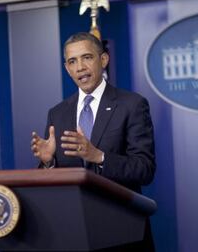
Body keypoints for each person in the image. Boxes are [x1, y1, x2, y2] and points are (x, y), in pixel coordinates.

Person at [31, 32, 156, 250]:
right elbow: (52, 184)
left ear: (103, 60)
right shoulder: (57, 114)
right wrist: (49, 162)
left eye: (86, 57)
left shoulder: (132, 105)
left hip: (123, 232)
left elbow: (144, 169)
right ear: (67, 68)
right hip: (74, 235)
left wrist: (98, 156)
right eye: (72, 61)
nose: (80, 67)